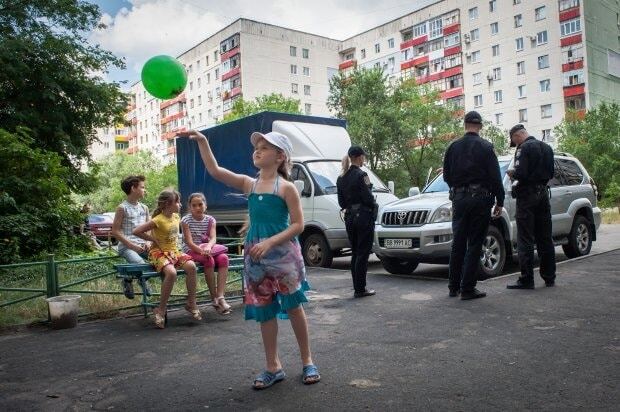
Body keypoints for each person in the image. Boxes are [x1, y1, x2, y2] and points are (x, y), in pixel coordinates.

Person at [178, 129, 320, 389]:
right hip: (256, 257)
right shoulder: (249, 184)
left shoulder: (287, 188)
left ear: (280, 156)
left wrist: (270, 242)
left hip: (283, 254)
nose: (257, 150)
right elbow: (215, 171)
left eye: (265, 147)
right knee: (265, 310)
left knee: (293, 306)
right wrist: (203, 141)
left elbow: (299, 225)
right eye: (257, 146)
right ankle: (272, 366)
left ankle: (307, 360)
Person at [443, 111, 505, 300]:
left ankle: (453, 287)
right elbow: (495, 177)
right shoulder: (486, 147)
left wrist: (458, 190)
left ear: (465, 124)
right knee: (475, 243)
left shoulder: (452, 147)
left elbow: (446, 176)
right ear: (480, 126)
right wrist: (499, 201)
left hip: (459, 200)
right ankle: (468, 288)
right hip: (480, 200)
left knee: (458, 243)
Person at [132, 189, 201, 329]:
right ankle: (161, 309)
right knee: (171, 272)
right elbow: (136, 231)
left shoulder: (176, 217)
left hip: (174, 251)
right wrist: (152, 239)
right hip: (158, 252)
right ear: (168, 204)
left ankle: (191, 303)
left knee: (192, 266)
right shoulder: (158, 219)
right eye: (178, 201)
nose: (180, 204)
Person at [506, 124, 556, 289]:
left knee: (525, 237)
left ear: (517, 136)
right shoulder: (547, 148)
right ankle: (549, 277)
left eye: (514, 141)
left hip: (527, 196)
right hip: (543, 194)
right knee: (545, 237)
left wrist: (512, 174)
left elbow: (521, 173)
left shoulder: (524, 148)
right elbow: (551, 173)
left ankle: (527, 279)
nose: (516, 144)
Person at [181, 192, 232, 315]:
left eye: (200, 204)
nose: (198, 208)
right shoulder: (185, 220)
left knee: (224, 258)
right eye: (194, 205)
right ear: (190, 207)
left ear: (206, 205)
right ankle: (213, 298)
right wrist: (202, 251)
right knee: (209, 260)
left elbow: (213, 238)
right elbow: (188, 242)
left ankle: (221, 296)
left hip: (208, 248)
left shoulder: (210, 219)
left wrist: (208, 247)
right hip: (192, 250)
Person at [336, 145, 377, 298]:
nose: (363, 159)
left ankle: (357, 287)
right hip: (363, 217)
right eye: (363, 157)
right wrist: (373, 206)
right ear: (359, 157)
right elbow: (368, 197)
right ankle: (361, 289)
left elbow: (341, 202)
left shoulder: (341, 177)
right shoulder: (362, 175)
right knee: (363, 253)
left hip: (349, 217)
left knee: (355, 253)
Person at [111, 176, 151, 298]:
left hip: (144, 245)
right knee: (140, 264)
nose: (145, 190)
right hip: (127, 247)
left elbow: (148, 228)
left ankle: (129, 278)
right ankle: (139, 279)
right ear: (133, 188)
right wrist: (131, 245)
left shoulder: (144, 208)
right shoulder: (122, 208)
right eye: (142, 187)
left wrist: (148, 242)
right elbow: (116, 231)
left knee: (160, 261)